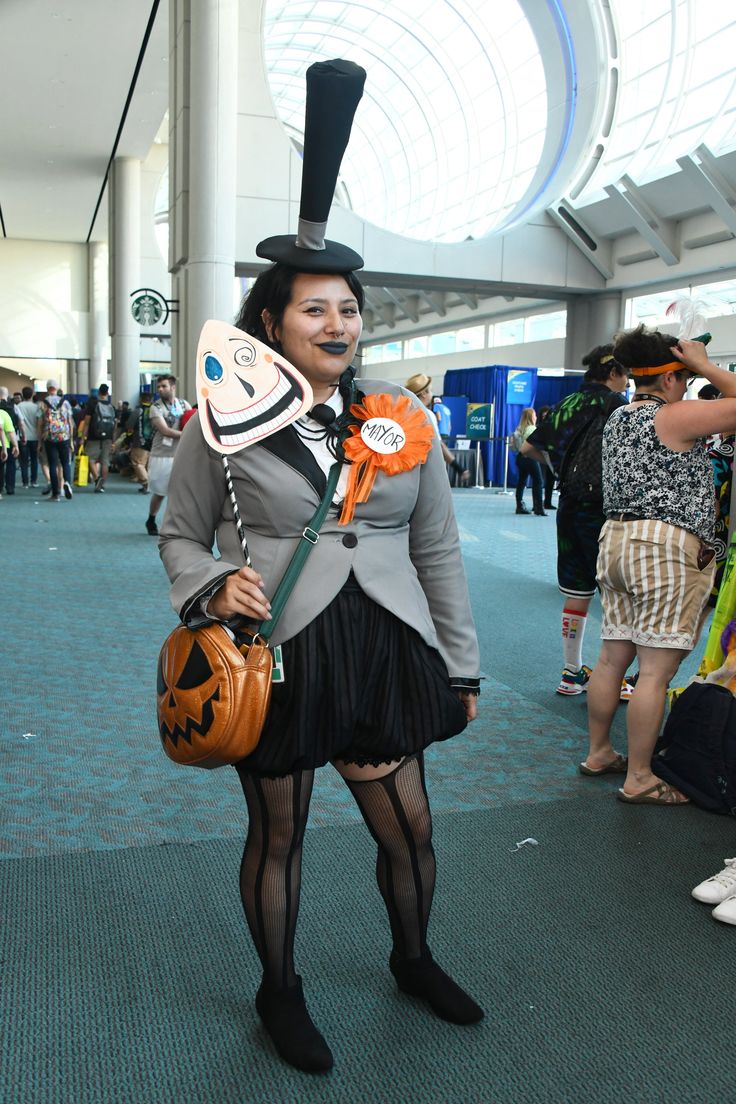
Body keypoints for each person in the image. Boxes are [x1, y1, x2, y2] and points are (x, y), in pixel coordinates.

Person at [159, 271, 482, 1071]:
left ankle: (413, 959)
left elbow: (436, 546)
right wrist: (210, 584)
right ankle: (279, 990)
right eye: (315, 309)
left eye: (348, 308)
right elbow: (180, 533)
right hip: (280, 651)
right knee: (279, 835)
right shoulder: (224, 420)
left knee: (409, 829)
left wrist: (463, 666)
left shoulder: (401, 413)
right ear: (272, 320)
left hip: (385, 644)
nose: (338, 323)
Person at [583, 328, 736, 802]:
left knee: (612, 659)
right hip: (664, 547)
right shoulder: (675, 415)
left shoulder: (620, 417)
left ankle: (600, 753)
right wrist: (707, 365)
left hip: (616, 541)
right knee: (654, 673)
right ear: (671, 378)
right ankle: (641, 778)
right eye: (686, 379)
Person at [522, 346, 630, 694]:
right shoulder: (617, 405)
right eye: (625, 374)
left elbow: (528, 448)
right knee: (616, 593)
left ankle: (571, 672)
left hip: (569, 504)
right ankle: (613, 679)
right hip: (604, 510)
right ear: (613, 373)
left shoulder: (568, 402)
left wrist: (559, 469)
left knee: (576, 590)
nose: (627, 381)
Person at [145, 375, 190, 535]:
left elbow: (192, 421)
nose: (160, 389)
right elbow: (165, 431)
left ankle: (175, 525)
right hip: (161, 455)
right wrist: (187, 434)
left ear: (172, 387)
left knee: (180, 492)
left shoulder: (184, 405)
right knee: (160, 492)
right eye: (158, 387)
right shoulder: (155, 407)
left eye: (163, 386)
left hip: (181, 454)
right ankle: (151, 518)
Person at [405, 374, 470, 484]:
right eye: (430, 390)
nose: (432, 394)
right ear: (423, 393)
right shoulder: (427, 414)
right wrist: (459, 468)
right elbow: (439, 445)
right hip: (423, 470)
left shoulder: (405, 413)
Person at [39, 380, 74, 501]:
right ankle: (67, 483)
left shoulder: (42, 403)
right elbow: (70, 422)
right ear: (57, 388)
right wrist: (71, 439)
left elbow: (40, 424)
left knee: (52, 465)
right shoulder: (65, 403)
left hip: (49, 437)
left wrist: (40, 441)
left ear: (47, 388)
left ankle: (55, 494)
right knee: (65, 463)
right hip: (64, 436)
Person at [80, 383, 117, 492]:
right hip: (108, 438)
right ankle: (102, 485)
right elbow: (115, 426)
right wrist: (113, 442)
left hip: (93, 437)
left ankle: (97, 478)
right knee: (105, 462)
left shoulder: (92, 404)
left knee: (89, 458)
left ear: (99, 392)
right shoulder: (111, 407)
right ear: (107, 393)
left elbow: (86, 423)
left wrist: (83, 437)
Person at [512, 408, 544, 515]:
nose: (536, 417)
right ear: (531, 416)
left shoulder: (520, 428)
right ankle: (538, 508)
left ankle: (519, 506)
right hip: (530, 458)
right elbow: (534, 444)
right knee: (538, 481)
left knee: (521, 482)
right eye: (534, 414)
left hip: (520, 458)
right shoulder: (531, 428)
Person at [17, 387, 40, 488]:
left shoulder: (18, 406)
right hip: (35, 437)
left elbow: (18, 422)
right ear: (31, 395)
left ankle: (25, 482)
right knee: (34, 460)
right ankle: (34, 481)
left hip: (23, 437)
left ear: (22, 395)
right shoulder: (36, 407)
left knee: (24, 461)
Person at [536, 406, 556, 509]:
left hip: (550, 457)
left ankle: (547, 502)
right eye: (543, 416)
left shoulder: (553, 427)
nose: (545, 417)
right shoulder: (539, 427)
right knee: (538, 481)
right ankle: (537, 504)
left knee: (550, 481)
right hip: (539, 456)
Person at [0, 402, 19, 500]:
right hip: (4, 444)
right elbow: (9, 431)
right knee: (5, 467)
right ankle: (9, 487)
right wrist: (15, 445)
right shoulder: (3, 414)